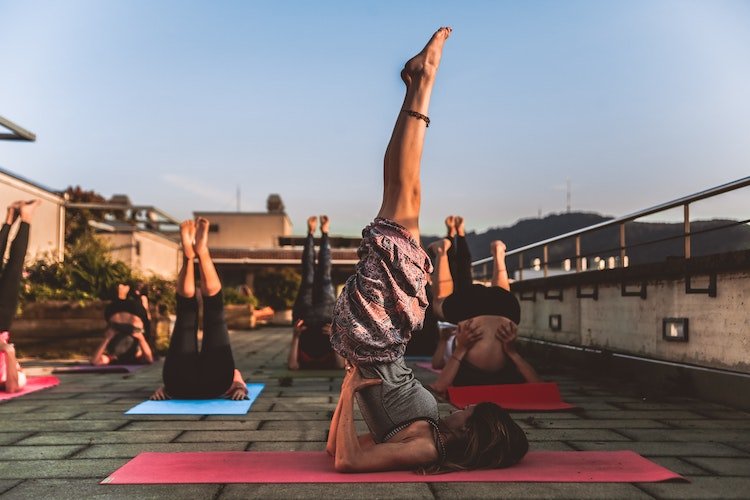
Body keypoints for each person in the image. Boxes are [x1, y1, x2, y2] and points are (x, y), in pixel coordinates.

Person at [326, 28, 528, 474]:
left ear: (471, 434)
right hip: (385, 337)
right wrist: (350, 386)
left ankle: (423, 82)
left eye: (469, 413)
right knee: (406, 198)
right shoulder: (431, 431)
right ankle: (420, 83)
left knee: (402, 200)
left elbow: (344, 461)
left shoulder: (427, 448)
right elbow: (335, 449)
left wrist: (348, 387)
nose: (463, 407)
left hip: (375, 336)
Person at [428, 219, 541, 394]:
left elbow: (439, 386)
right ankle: (441, 252)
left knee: (501, 295)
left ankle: (498, 255)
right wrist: (511, 352)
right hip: (472, 313)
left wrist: (462, 348)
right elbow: (440, 387)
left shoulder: (505, 373)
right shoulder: (467, 373)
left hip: (505, 310)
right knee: (440, 302)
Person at [150, 218, 247, 401]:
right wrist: (240, 387)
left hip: (184, 384)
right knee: (186, 314)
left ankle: (196, 254)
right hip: (186, 383)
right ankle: (197, 253)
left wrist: (165, 387)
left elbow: (235, 373)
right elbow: (237, 376)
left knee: (214, 312)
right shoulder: (178, 381)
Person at [288, 215, 345, 370]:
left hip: (305, 318)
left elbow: (292, 366)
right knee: (321, 274)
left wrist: (295, 336)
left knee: (312, 273)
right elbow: (341, 365)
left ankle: (313, 233)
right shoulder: (329, 360)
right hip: (324, 316)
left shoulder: (306, 359)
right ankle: (321, 232)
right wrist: (334, 337)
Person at [0, 200, 40, 393]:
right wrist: (8, 351)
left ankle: (16, 218)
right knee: (13, 269)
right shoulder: (11, 375)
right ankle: (19, 217)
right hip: (2, 324)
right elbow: (13, 386)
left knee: (13, 269)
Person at [90, 283, 154, 366]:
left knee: (140, 317)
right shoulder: (135, 355)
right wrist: (141, 338)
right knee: (141, 316)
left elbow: (94, 361)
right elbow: (149, 359)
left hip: (124, 324)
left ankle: (122, 295)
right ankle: (122, 295)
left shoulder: (112, 356)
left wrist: (107, 339)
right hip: (125, 322)